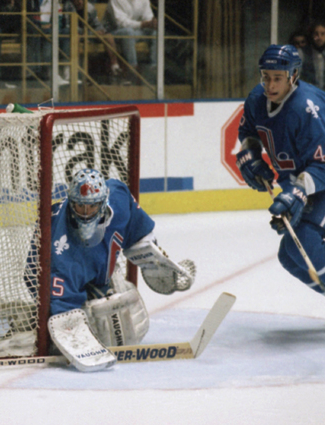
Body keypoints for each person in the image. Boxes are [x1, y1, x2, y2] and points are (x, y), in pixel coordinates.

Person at [27, 168, 195, 370]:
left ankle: (94, 290)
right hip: (42, 273)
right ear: (71, 202)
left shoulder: (118, 196)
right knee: (103, 314)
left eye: (92, 206)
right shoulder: (61, 248)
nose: (86, 214)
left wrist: (149, 253)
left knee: (120, 298)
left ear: (104, 202)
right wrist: (71, 326)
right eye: (80, 206)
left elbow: (136, 225)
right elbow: (65, 313)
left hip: (90, 265)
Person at [236, 44, 325, 293]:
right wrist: (250, 155)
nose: (270, 85)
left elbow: (322, 163)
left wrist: (297, 193)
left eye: (277, 78)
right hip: (302, 184)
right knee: (288, 256)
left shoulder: (307, 107)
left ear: (293, 76)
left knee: (305, 242)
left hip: (319, 183)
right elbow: (248, 132)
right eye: (266, 77)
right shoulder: (256, 99)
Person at [63, 0, 122, 80]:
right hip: (76, 34)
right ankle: (73, 69)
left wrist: (100, 31)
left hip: (89, 33)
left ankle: (115, 66)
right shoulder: (68, 7)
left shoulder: (90, 8)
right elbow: (69, 25)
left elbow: (96, 24)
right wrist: (86, 33)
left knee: (108, 36)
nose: (79, 2)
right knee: (75, 37)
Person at [104, 0, 157, 80]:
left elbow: (148, 17)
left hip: (135, 31)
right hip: (113, 32)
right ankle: (132, 69)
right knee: (128, 31)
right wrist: (143, 24)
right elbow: (121, 24)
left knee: (155, 32)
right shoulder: (115, 1)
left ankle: (154, 67)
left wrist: (152, 23)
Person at [300, 21, 325, 90]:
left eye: (323, 34)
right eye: (316, 34)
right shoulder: (303, 53)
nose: (319, 37)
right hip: (309, 93)